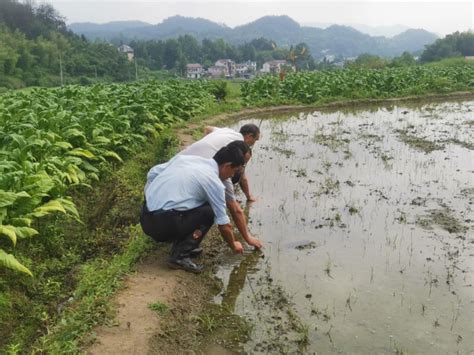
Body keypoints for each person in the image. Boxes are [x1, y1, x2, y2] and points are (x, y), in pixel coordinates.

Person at [140, 142, 246, 273]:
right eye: (234, 171)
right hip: (161, 226)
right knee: (209, 211)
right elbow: (224, 225)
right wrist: (233, 244)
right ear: (227, 166)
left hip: (145, 216)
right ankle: (179, 256)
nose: (231, 176)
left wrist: (154, 197)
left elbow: (152, 173)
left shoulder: (186, 159)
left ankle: (183, 244)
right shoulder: (213, 181)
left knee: (196, 203)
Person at [179, 124, 262, 249]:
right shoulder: (221, 174)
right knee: (210, 210)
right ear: (249, 136)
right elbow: (234, 209)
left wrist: (207, 149)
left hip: (179, 167)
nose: (240, 169)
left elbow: (207, 128)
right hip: (168, 212)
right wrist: (248, 238)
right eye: (255, 140)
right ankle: (183, 249)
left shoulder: (227, 133)